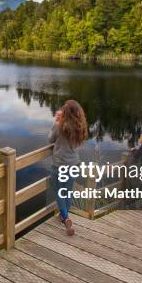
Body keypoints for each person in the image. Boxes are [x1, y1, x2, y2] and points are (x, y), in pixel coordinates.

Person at [48, 100, 89, 236]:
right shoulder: (80, 127)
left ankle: (66, 218)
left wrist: (56, 122)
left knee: (59, 191)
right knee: (68, 191)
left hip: (60, 165)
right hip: (74, 164)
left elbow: (50, 139)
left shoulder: (60, 126)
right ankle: (64, 215)